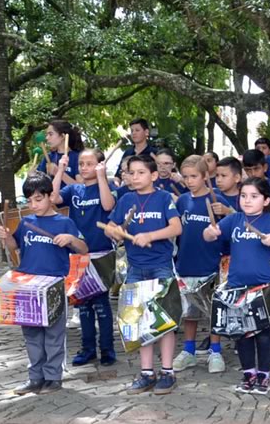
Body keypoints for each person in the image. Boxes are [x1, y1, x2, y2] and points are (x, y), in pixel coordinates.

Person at [203, 177, 270, 395]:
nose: (247, 200)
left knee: (263, 333)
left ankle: (264, 375)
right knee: (241, 333)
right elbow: (207, 234)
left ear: (265, 200)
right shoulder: (234, 219)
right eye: (243, 196)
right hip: (237, 285)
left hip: (264, 287)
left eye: (254, 196)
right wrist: (211, 232)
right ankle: (248, 373)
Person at [0, 172, 88, 395]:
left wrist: (71, 239)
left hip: (54, 285)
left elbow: (84, 249)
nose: (33, 204)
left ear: (50, 196)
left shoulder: (64, 222)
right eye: (29, 200)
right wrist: (4, 236)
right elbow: (14, 246)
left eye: (38, 199)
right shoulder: (26, 222)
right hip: (27, 284)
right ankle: (35, 377)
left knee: (54, 334)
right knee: (31, 334)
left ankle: (53, 377)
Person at [105, 155, 182, 395]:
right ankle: (147, 372)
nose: (134, 177)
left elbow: (176, 227)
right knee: (140, 321)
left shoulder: (163, 198)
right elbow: (112, 229)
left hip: (161, 266)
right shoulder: (126, 199)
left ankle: (168, 371)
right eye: (131, 172)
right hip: (135, 268)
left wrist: (150, 236)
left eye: (140, 172)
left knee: (164, 321)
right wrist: (116, 232)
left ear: (154, 175)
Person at [51, 149, 117, 367]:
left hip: (101, 253)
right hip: (78, 255)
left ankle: (107, 349)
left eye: (90, 163)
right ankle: (88, 348)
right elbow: (53, 198)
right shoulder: (74, 189)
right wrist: (60, 170)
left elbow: (108, 205)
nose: (84, 167)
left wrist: (101, 177)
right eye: (81, 163)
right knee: (83, 306)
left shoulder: (107, 187)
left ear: (99, 165)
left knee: (101, 304)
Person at [172, 155, 230, 374]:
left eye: (194, 176)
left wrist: (225, 213)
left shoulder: (218, 202)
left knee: (213, 309)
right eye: (186, 177)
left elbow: (228, 232)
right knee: (190, 311)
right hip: (186, 262)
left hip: (211, 262)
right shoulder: (183, 201)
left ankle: (215, 350)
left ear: (206, 176)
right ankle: (188, 351)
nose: (189, 181)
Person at [37, 120, 84, 184]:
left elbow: (80, 188)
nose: (47, 138)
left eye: (50, 134)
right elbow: (38, 184)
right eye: (47, 134)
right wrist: (31, 176)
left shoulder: (78, 157)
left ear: (62, 136)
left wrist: (58, 172)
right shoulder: (48, 157)